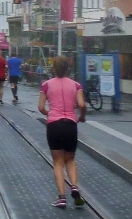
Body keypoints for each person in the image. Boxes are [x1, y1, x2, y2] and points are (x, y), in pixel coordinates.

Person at [38, 55, 87, 209]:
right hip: (70, 125)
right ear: (68, 68)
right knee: (70, 159)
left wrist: (50, 114)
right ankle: (74, 187)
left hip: (54, 125)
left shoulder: (46, 85)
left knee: (58, 162)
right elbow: (82, 104)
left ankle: (61, 198)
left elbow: (40, 107)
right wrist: (82, 116)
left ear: (54, 68)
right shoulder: (76, 85)